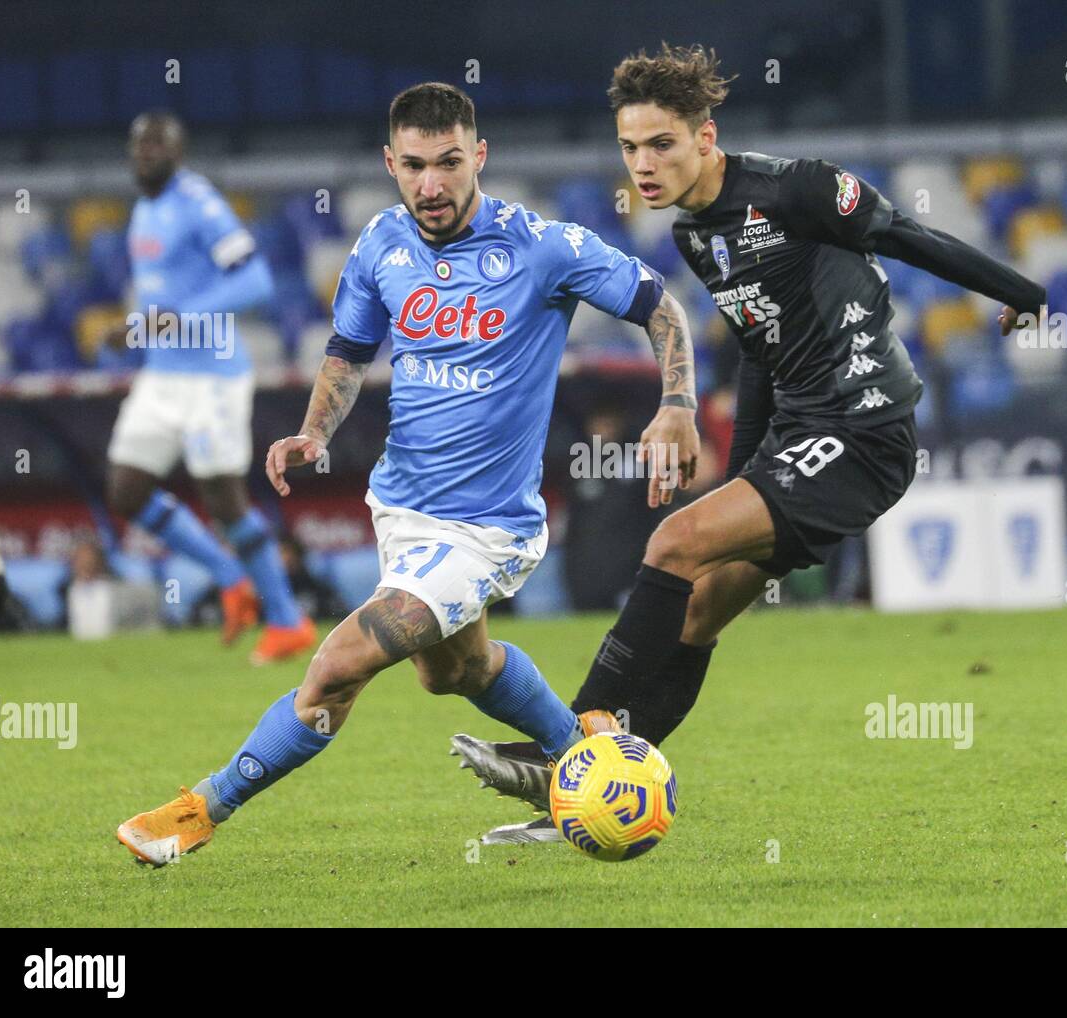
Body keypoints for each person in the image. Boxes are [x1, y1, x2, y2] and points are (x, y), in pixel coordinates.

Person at [455, 43, 1047, 844]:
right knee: (695, 607)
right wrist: (740, 480)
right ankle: (582, 801)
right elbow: (762, 352)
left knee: (672, 542)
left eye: (660, 143)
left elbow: (905, 234)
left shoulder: (796, 188)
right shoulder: (698, 235)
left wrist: (1021, 292)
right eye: (630, 148)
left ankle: (570, 747)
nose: (644, 165)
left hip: (865, 430)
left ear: (706, 135)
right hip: (800, 437)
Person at [115, 82, 701, 866]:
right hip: (401, 509)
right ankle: (583, 750)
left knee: (336, 669)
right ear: (391, 163)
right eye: (416, 166)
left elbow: (661, 307)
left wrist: (678, 403)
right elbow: (349, 353)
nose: (433, 184)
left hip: (486, 529)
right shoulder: (379, 246)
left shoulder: (543, 247)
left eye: (451, 163)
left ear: (479, 157)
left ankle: (199, 812)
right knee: (457, 669)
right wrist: (314, 431)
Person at [103, 111, 314, 664]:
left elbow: (255, 279)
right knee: (125, 490)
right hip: (161, 375)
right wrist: (134, 328)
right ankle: (231, 580)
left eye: (159, 145)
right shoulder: (145, 209)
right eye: (139, 144)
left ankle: (288, 622)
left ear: (179, 152)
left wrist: (178, 317)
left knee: (224, 500)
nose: (146, 153)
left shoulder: (198, 203)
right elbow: (160, 297)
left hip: (213, 378)